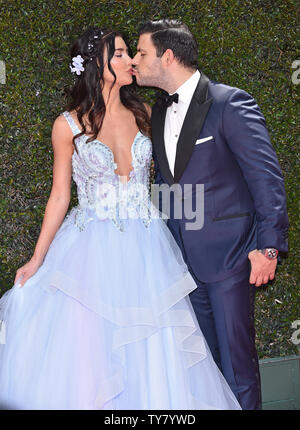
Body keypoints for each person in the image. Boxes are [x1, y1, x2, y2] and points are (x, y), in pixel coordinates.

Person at [0, 27, 241, 410]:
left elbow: (178, 172)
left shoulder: (145, 113)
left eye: (131, 53)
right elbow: (60, 196)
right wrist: (37, 258)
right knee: (95, 348)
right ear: (96, 64)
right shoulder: (68, 125)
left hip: (148, 249)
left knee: (154, 344)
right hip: (89, 251)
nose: (130, 60)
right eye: (120, 54)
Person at [132, 19, 289, 410]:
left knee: (237, 368)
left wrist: (268, 247)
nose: (135, 60)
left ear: (167, 56)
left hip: (231, 259)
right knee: (204, 369)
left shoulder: (229, 103)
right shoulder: (156, 113)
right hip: (183, 265)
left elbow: (266, 180)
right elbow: (170, 186)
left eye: (141, 53)